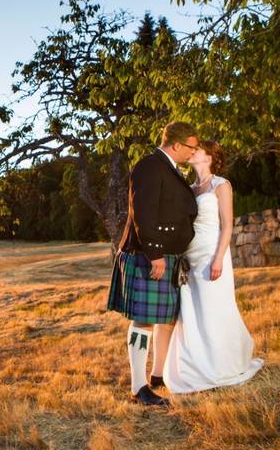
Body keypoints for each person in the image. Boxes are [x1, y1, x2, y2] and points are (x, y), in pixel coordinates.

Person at [107, 121, 199, 406]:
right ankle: (139, 387)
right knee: (145, 319)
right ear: (176, 145)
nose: (194, 153)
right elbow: (142, 213)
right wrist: (155, 253)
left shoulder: (168, 168)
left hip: (166, 257)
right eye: (191, 147)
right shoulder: (150, 165)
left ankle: (158, 376)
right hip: (149, 256)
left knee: (166, 318)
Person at [163, 140, 264, 393]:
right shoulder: (189, 188)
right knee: (192, 310)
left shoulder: (221, 185)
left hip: (211, 254)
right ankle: (195, 365)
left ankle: (222, 364)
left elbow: (227, 225)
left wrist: (219, 258)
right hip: (190, 257)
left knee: (215, 308)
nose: (192, 151)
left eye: (197, 149)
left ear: (209, 157)